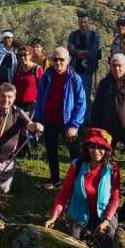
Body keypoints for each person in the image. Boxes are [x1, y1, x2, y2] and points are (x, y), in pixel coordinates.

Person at [45, 128, 121, 241]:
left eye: (100, 147)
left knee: (107, 242)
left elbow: (115, 198)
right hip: (79, 215)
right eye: (92, 147)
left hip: (104, 214)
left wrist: (107, 220)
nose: (96, 151)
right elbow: (64, 194)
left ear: (107, 150)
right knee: (74, 244)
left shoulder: (112, 169)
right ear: (87, 148)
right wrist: (54, 217)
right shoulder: (77, 165)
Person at [35, 47, 86, 189]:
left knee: (74, 153)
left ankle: (77, 181)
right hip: (49, 120)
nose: (58, 62)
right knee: (51, 151)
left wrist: (74, 125)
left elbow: (81, 104)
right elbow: (40, 99)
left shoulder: (75, 78)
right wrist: (38, 119)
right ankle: (55, 178)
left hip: (68, 123)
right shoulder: (47, 76)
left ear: (68, 60)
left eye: (61, 60)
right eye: (55, 59)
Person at [91, 53, 125, 170]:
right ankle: (102, 183)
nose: (117, 69)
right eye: (114, 66)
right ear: (110, 67)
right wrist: (96, 129)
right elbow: (97, 107)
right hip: (107, 130)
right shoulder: (104, 84)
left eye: (120, 66)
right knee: (103, 158)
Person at [67, 13, 101, 117]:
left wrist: (77, 52)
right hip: (74, 70)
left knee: (85, 97)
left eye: (85, 22)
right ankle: (72, 120)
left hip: (87, 72)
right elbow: (70, 50)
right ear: (78, 22)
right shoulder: (73, 35)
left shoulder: (95, 36)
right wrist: (85, 52)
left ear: (89, 22)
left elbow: (93, 54)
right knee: (72, 96)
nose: (83, 24)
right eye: (81, 22)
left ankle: (85, 122)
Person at [13, 45, 44, 114]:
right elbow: (14, 85)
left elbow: (43, 88)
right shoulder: (17, 68)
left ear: (30, 55)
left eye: (25, 55)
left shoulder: (37, 69)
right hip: (17, 104)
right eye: (20, 55)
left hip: (31, 106)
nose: (22, 57)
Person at [0, 30, 17, 94]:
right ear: (3, 39)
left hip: (12, 79)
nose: (7, 40)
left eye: (9, 38)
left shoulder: (16, 51)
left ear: (12, 39)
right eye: (5, 38)